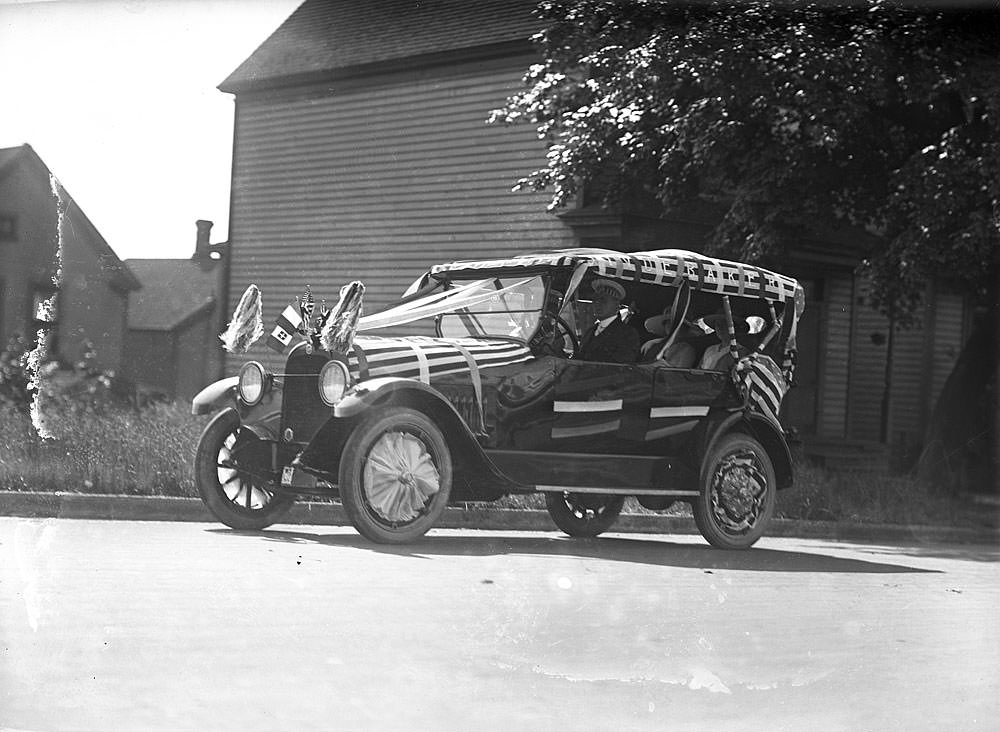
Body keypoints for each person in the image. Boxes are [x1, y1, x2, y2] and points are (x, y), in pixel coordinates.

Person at [576, 279, 639, 363]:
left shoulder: (627, 334)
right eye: (595, 300)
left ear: (616, 304)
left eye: (603, 300)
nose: (597, 303)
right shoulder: (590, 331)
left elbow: (622, 367)